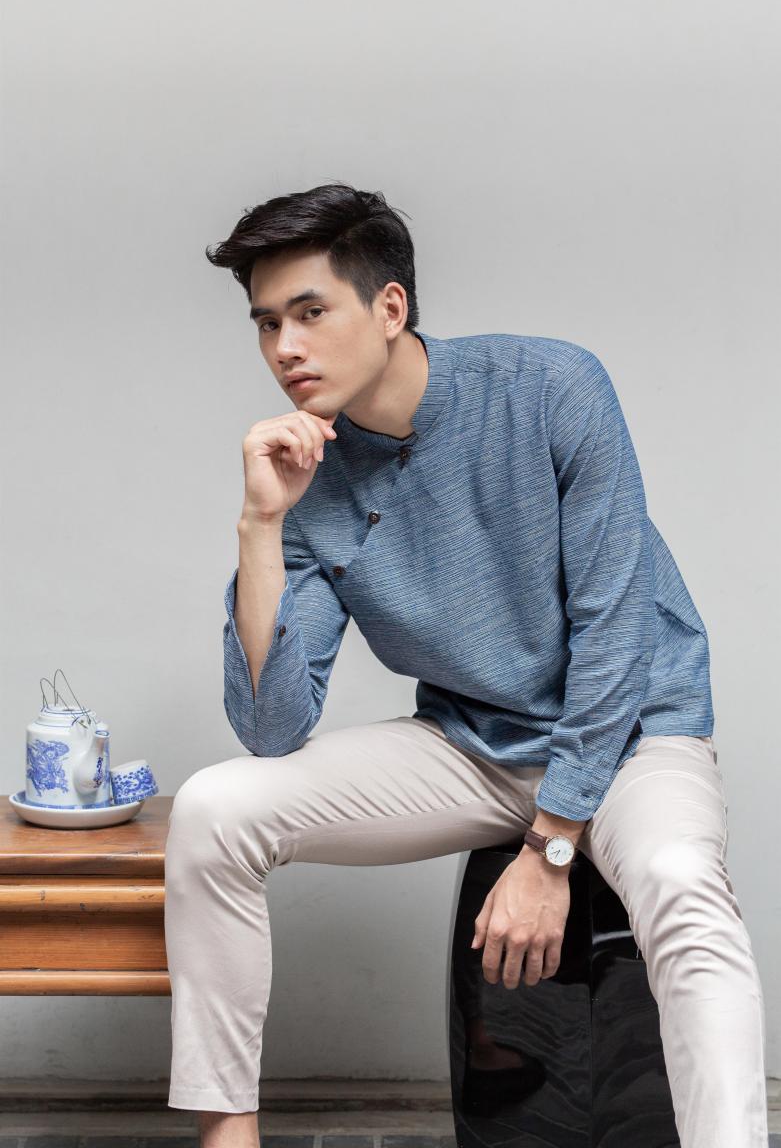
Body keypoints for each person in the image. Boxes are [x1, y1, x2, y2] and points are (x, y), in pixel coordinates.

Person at [163, 182, 768, 1148]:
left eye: (310, 312)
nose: (284, 348)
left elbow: (615, 628)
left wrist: (550, 847)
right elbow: (272, 729)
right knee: (213, 808)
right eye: (267, 323)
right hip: (470, 747)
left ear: (389, 307)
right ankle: (228, 1136)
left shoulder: (551, 386)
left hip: (629, 739)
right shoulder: (308, 477)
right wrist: (261, 523)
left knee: (679, 878)